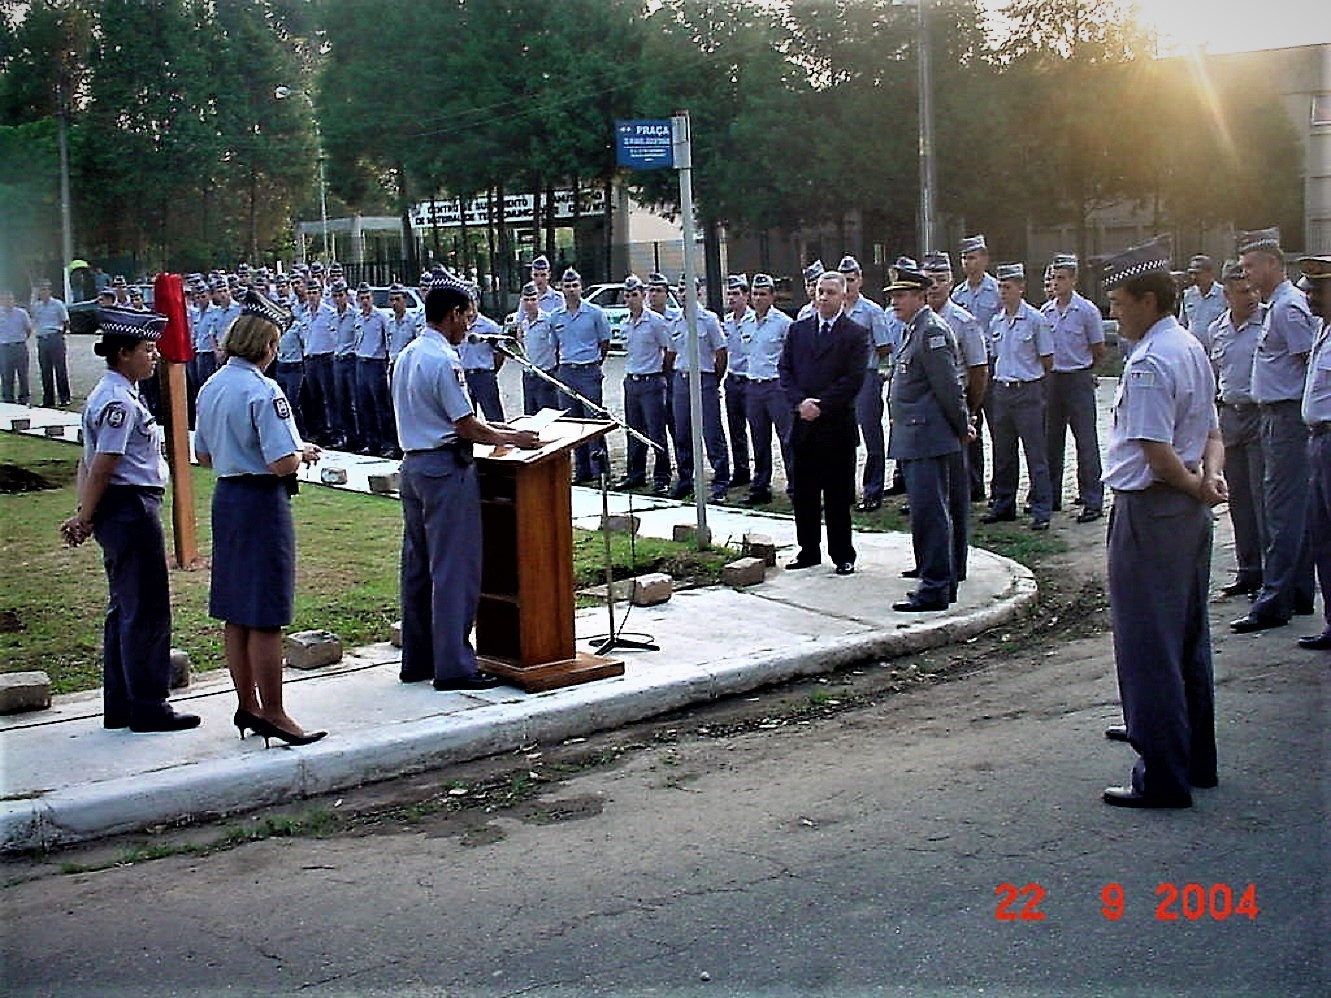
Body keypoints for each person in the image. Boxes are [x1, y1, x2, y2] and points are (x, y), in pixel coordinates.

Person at [1099, 237, 1224, 809]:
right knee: (1186, 637)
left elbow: (1155, 451)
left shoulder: (1151, 359)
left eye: (1120, 301)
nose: (1115, 312)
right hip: (1187, 509)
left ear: (1149, 301)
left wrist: (1195, 483)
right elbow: (1211, 433)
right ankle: (1196, 757)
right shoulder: (1190, 346)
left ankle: (1163, 775)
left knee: (1148, 644)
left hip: (1153, 509)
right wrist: (1210, 480)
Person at [393, 280, 541, 690]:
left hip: (414, 465)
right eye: (467, 315)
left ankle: (419, 658)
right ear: (454, 313)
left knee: (419, 568)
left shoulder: (408, 355)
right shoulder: (444, 359)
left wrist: (500, 429)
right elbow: (464, 424)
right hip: (444, 467)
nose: (469, 325)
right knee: (453, 568)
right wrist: (512, 438)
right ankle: (455, 665)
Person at [193, 288, 325, 748]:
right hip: (261, 502)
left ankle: (246, 704)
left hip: (227, 496)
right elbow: (280, 462)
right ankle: (274, 710)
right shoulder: (263, 389)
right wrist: (302, 453)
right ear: (267, 344)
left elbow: (203, 455)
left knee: (236, 611)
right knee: (265, 612)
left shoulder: (211, 385)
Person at [59, 307, 200, 733]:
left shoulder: (110, 393)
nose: (153, 355)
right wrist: (84, 514)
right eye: (146, 349)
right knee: (146, 609)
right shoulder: (118, 401)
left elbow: (89, 462)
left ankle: (121, 702)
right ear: (123, 353)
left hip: (118, 507)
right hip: (130, 507)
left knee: (124, 607)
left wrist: (85, 513)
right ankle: (148, 704)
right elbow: (102, 463)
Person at [1231, 227, 1318, 633]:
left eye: (1251, 266)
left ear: (1272, 264)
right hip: (1273, 416)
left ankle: (1274, 600)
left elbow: (1310, 365)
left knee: (1281, 511)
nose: (1246, 274)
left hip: (1287, 418)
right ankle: (1297, 593)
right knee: (1287, 510)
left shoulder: (1288, 309)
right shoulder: (1275, 307)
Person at [884, 260, 970, 610]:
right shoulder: (914, 330)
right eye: (893, 296)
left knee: (931, 512)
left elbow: (949, 386)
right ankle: (935, 579)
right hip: (914, 436)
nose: (895, 302)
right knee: (924, 512)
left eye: (902, 295)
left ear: (921, 296)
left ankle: (935, 586)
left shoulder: (931, 332)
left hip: (928, 437)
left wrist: (962, 425)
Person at [779, 270, 867, 575]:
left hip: (836, 426)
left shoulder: (855, 334)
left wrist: (822, 405)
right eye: (820, 291)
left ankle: (843, 553)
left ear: (844, 295)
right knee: (804, 493)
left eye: (830, 292)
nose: (824, 297)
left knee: (837, 495)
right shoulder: (799, 330)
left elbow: (853, 379)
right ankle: (808, 550)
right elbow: (785, 371)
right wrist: (799, 402)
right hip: (803, 424)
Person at [922, 251, 988, 590]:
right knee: (928, 494)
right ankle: (930, 562)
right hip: (924, 414)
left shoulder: (963, 321)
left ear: (951, 281)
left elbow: (978, 370)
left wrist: (970, 410)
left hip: (954, 407)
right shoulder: (912, 321)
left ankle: (956, 563)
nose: (934, 285)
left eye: (941, 278)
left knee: (954, 492)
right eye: (928, 279)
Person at [1207, 264, 1267, 597]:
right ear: (1226, 295)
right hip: (1230, 416)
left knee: (1263, 497)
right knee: (1239, 498)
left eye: (1253, 290)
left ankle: (1273, 576)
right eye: (1242, 292)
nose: (1251, 297)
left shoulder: (1268, 323)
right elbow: (1214, 374)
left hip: (1260, 414)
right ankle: (1249, 570)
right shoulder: (1218, 330)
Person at [982, 263, 1055, 529]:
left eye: (1008, 287)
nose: (1003, 292)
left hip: (1028, 390)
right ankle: (1004, 504)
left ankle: (1041, 509)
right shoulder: (996, 321)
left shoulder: (1036, 320)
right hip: (1002, 390)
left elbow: (1047, 359)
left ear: (1021, 288)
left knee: (1035, 453)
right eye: (1000, 287)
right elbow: (994, 356)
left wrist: (1031, 381)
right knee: (1003, 453)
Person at [1040, 253, 1106, 521]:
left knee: (1086, 441)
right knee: (1051, 440)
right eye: (1054, 278)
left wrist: (1090, 372)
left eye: (1062, 278)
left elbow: (1099, 350)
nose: (1057, 284)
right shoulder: (1045, 312)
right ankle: (1051, 495)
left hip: (1078, 377)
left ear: (1074, 279)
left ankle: (1092, 499)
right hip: (1053, 379)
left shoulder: (1087, 311)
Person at [838, 255, 897, 512]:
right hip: (840, 381)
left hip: (866, 377)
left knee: (872, 435)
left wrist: (881, 376)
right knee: (843, 437)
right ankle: (844, 490)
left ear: (860, 280)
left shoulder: (871, 311)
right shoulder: (835, 310)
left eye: (851, 280)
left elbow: (885, 348)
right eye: (843, 281)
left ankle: (873, 490)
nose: (848, 286)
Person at [668, 275, 730, 501]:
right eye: (681, 289)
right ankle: (685, 479)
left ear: (699, 292)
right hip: (681, 379)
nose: (684, 294)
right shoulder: (675, 320)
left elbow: (721, 352)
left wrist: (714, 380)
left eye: (689, 289)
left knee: (711, 433)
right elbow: (671, 352)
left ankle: (721, 481)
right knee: (682, 432)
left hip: (703, 378)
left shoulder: (708, 319)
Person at [1296, 254, 1331, 650]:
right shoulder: (1322, 331)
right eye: (1310, 291)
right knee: (1322, 538)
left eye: (1320, 291)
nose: (1311, 298)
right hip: (1318, 441)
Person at [952, 235, 1001, 503]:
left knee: (998, 429)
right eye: (964, 258)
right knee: (970, 423)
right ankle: (974, 484)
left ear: (984, 259)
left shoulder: (997, 290)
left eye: (972, 257)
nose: (968, 263)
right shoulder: (958, 294)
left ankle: (1000, 489)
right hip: (966, 365)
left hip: (990, 364)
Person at [550, 268, 611, 483]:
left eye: (575, 285)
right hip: (566, 372)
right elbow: (555, 345)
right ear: (561, 288)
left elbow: (604, 343)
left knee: (593, 421)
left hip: (588, 371)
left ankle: (599, 471)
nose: (571, 289)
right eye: (567, 286)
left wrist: (594, 364)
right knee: (571, 422)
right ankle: (581, 470)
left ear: (581, 287)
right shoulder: (555, 316)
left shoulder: (595, 313)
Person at [616, 275, 672, 493]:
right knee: (633, 431)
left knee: (656, 432)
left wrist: (661, 375)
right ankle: (635, 473)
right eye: (627, 296)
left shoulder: (656, 322)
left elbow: (668, 351)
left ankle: (662, 476)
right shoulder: (625, 323)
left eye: (635, 295)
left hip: (652, 381)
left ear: (643, 296)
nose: (631, 300)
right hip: (632, 381)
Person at [744, 273, 795, 505]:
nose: (758, 298)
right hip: (754, 386)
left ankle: (795, 485)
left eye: (763, 294)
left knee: (787, 438)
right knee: (758, 438)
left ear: (772, 296)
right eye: (755, 294)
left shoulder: (783, 323)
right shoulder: (745, 322)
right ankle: (761, 486)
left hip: (776, 387)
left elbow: (793, 356)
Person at [353, 284, 395, 456]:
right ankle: (372, 443)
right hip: (361, 362)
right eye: (361, 298)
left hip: (376, 363)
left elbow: (388, 341)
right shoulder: (358, 318)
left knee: (382, 407)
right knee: (365, 406)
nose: (365, 302)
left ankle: (389, 443)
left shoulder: (382, 317)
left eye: (367, 298)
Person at [722, 274, 755, 491]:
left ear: (746, 296)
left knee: (758, 430)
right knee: (735, 429)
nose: (732, 298)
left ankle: (762, 475)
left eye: (736, 293)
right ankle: (741, 470)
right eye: (729, 294)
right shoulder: (725, 321)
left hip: (751, 380)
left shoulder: (755, 320)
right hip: (732, 379)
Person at [515, 282, 559, 415]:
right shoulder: (523, 324)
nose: (530, 303)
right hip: (529, 376)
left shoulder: (548, 321)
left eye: (533, 299)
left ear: (538, 300)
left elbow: (558, 345)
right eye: (526, 300)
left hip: (545, 374)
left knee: (547, 416)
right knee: (530, 415)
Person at [30, 278, 71, 407]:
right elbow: (34, 321)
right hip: (43, 339)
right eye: (41, 290)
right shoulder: (36, 306)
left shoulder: (58, 304)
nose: (44, 292)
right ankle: (48, 399)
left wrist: (59, 334)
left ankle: (64, 397)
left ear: (50, 291)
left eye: (46, 289)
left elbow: (66, 321)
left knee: (60, 370)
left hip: (55, 337)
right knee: (45, 371)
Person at [1180, 255, 1226, 350]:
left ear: (1209, 273)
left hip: (1216, 350)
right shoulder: (1188, 295)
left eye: (1198, 274)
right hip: (1193, 350)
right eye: (1192, 274)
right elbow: (1182, 324)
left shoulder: (1223, 294)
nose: (1194, 277)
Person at [0, 289, 33, 405]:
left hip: (19, 346)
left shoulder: (21, 313)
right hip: (4, 348)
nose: (8, 302)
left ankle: (24, 399)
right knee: (6, 376)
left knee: (23, 375)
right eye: (5, 299)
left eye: (10, 299)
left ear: (13, 300)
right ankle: (8, 400)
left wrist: (21, 340)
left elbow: (28, 329)